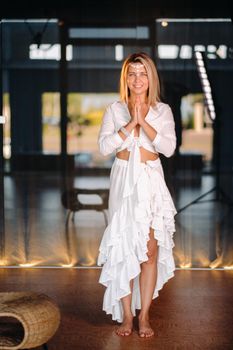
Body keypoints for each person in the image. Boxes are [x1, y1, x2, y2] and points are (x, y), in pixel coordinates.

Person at [97, 52, 177, 338]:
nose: (137, 79)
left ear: (150, 77)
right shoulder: (114, 109)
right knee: (123, 246)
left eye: (143, 73)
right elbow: (105, 147)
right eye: (132, 73)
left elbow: (168, 148)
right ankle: (127, 316)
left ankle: (144, 316)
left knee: (149, 251)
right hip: (122, 179)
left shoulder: (163, 111)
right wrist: (131, 122)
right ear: (125, 78)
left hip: (151, 179)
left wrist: (144, 121)